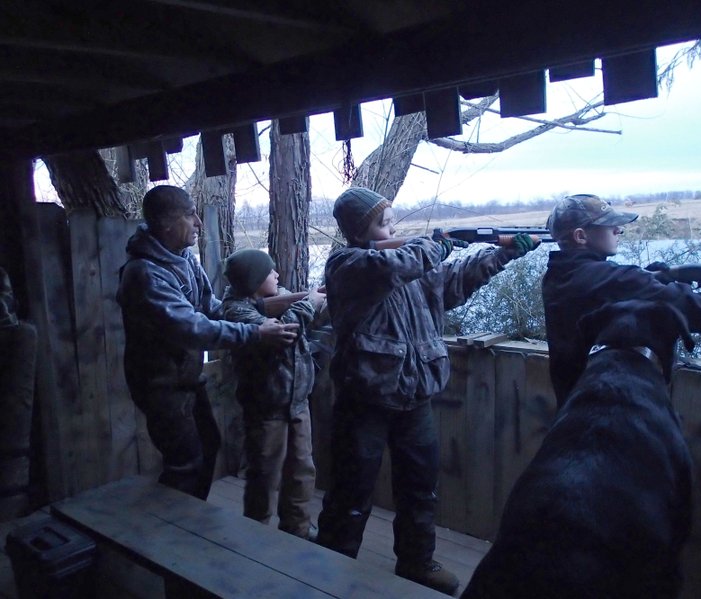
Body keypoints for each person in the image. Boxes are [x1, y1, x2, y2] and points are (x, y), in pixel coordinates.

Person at [315, 187, 537, 596]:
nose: (392, 227)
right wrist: (437, 244)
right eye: (383, 222)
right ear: (358, 230)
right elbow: (396, 264)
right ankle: (334, 563)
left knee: (420, 489)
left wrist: (504, 252)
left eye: (390, 220)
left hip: (415, 397)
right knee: (350, 492)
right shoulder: (347, 264)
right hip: (364, 400)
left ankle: (417, 563)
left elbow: (454, 280)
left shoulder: (412, 265)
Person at [116, 185, 299, 500]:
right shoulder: (144, 275)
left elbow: (212, 307)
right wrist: (255, 334)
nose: (199, 223)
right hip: (160, 385)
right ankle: (172, 533)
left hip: (185, 376)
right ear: (166, 224)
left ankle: (189, 522)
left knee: (208, 445)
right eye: (190, 215)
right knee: (185, 463)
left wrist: (260, 309)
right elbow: (192, 328)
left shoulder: (183, 257)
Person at [542, 193, 701, 408]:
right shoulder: (613, 279)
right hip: (615, 414)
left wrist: (650, 278)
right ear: (580, 236)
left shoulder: (559, 276)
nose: (618, 229)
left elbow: (605, 295)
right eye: (609, 225)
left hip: (573, 406)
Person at [221, 248, 325, 540]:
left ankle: (298, 529)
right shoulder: (236, 310)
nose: (277, 274)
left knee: (302, 472)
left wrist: (321, 300)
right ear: (254, 281)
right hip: (265, 408)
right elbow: (284, 332)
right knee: (264, 476)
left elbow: (309, 315)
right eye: (269, 272)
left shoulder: (280, 296)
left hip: (297, 403)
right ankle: (257, 535)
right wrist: (310, 303)